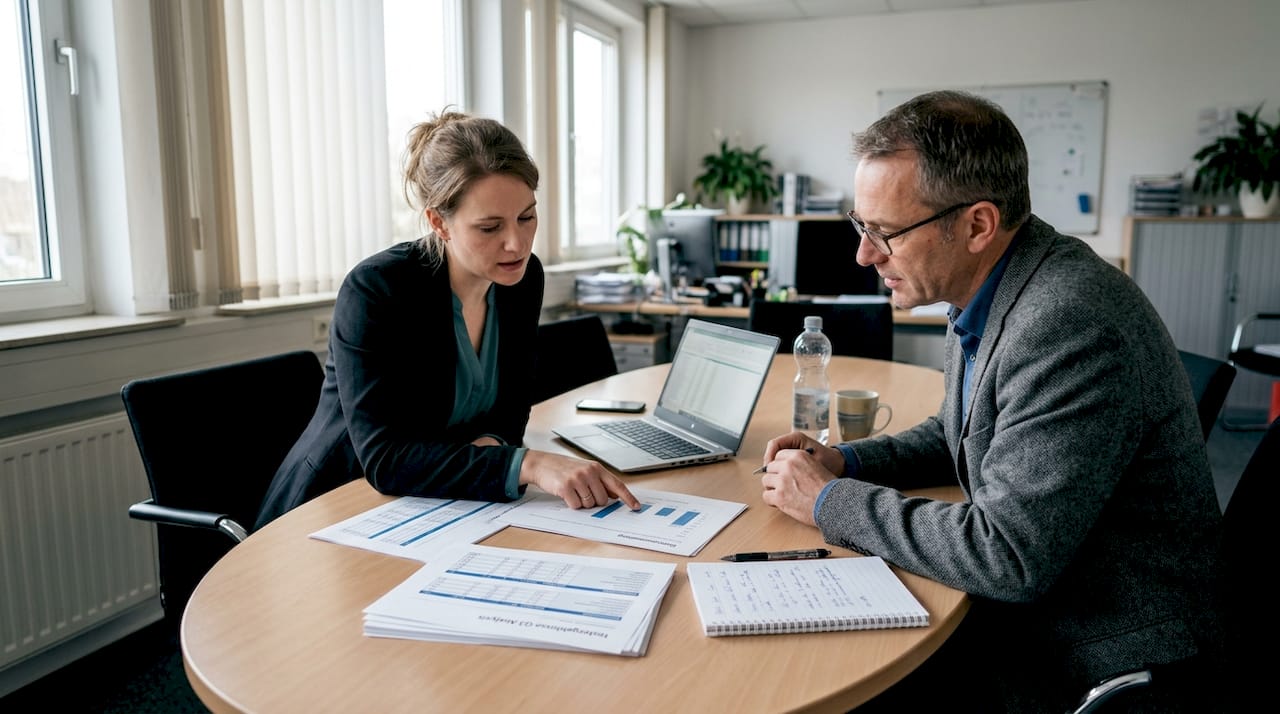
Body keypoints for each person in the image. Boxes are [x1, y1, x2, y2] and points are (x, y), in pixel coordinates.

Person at [758, 91, 1223, 712]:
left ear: (977, 225)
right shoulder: (992, 288)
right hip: (1049, 600)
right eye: (861, 225)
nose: (864, 253)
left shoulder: (1067, 321)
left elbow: (1006, 555)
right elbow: (960, 429)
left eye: (885, 232)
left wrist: (826, 500)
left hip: (1099, 648)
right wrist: (849, 462)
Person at [256, 109, 639, 529]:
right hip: (332, 506)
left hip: (436, 502)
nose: (516, 244)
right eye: (490, 227)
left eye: (526, 217)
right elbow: (386, 460)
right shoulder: (376, 290)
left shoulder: (522, 280)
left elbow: (512, 409)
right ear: (439, 222)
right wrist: (527, 464)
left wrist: (493, 448)